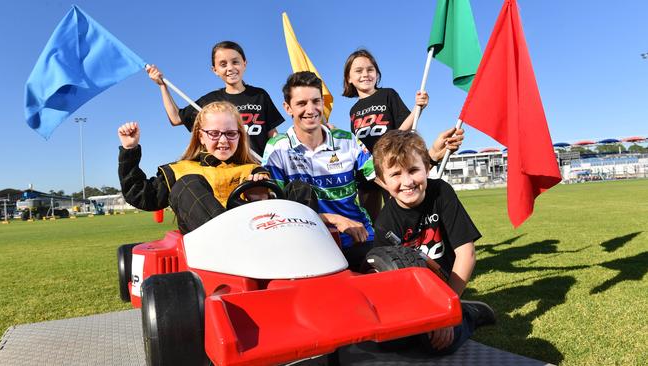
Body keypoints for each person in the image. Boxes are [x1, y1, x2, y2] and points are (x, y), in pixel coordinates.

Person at [263, 71, 461, 270]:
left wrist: (432, 156)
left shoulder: (347, 141)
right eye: (301, 103)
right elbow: (277, 209)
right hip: (309, 243)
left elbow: (386, 175)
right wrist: (334, 220)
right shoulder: (276, 148)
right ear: (287, 108)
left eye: (316, 101)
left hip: (360, 238)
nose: (311, 109)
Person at [371, 130, 495, 355]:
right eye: (396, 174)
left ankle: (467, 314)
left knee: (437, 344)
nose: (407, 181)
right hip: (413, 297)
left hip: (446, 288)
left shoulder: (441, 193)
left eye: (414, 170)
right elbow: (390, 283)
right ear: (382, 182)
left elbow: (467, 254)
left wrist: (446, 311)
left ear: (428, 168)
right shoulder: (383, 223)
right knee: (387, 343)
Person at [118, 101, 282, 234]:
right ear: (201, 136)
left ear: (240, 136)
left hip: (254, 239)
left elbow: (277, 214)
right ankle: (228, 244)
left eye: (231, 133)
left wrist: (261, 200)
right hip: (207, 252)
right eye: (214, 133)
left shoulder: (252, 171)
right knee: (189, 183)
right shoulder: (181, 171)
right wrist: (129, 150)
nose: (223, 140)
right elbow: (139, 195)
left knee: (299, 188)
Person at [342, 49, 460, 222]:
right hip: (366, 174)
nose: (365, 74)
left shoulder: (387, 94)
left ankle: (406, 248)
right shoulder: (353, 110)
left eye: (370, 69)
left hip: (391, 165)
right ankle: (377, 248)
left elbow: (402, 130)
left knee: (398, 215)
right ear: (349, 79)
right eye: (358, 71)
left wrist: (418, 108)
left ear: (377, 73)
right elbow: (356, 145)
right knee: (371, 220)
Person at [146, 41, 284, 156]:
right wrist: (162, 86)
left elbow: (273, 134)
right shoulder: (210, 101)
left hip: (260, 169)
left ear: (244, 63)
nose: (230, 68)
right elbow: (176, 118)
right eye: (223, 64)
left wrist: (280, 159)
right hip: (228, 172)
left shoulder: (260, 95)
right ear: (215, 70)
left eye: (235, 62)